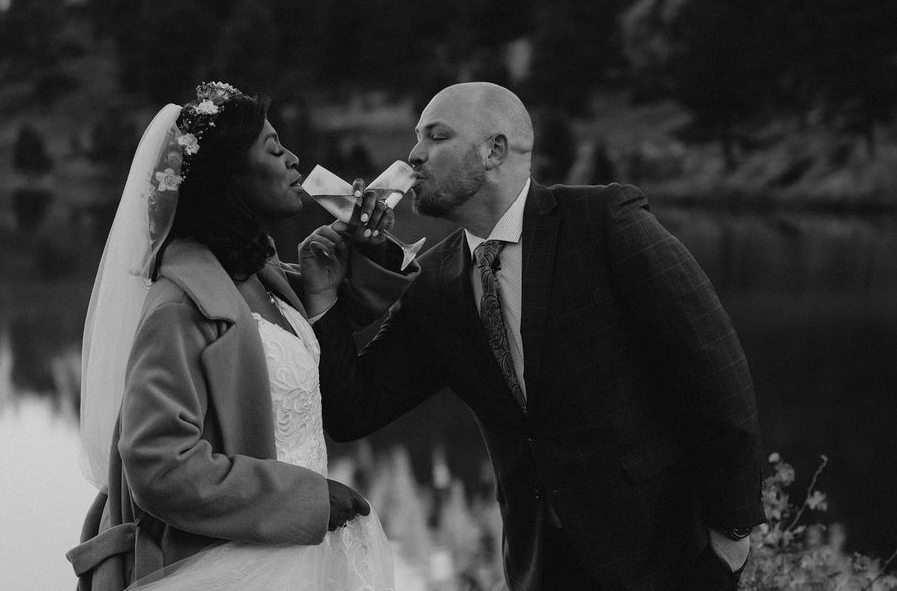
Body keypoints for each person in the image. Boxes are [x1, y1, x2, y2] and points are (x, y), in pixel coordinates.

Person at [314, 82, 766, 590]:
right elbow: (353, 410)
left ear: (494, 150)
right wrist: (327, 293)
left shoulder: (604, 223)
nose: (414, 155)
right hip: (539, 566)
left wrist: (732, 533)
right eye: (417, 138)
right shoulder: (434, 285)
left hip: (667, 554)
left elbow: (714, 371)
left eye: (436, 137)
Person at [66, 81, 406, 591]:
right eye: (273, 148)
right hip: (229, 568)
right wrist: (306, 499)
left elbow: (316, 332)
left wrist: (364, 254)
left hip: (300, 555)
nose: (294, 158)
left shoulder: (257, 274)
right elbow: (158, 465)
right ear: (229, 176)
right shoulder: (180, 303)